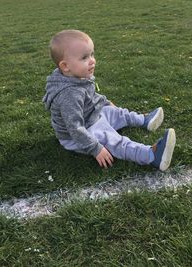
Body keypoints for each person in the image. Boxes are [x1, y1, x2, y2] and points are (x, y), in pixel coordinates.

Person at [43, 29, 176, 171]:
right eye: (84, 58)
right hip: (78, 136)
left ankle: (144, 120)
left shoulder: (75, 76)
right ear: (65, 66)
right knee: (112, 139)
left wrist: (105, 103)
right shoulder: (69, 94)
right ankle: (152, 155)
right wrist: (96, 149)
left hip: (90, 117)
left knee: (113, 111)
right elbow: (75, 129)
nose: (92, 61)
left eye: (92, 54)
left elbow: (90, 97)